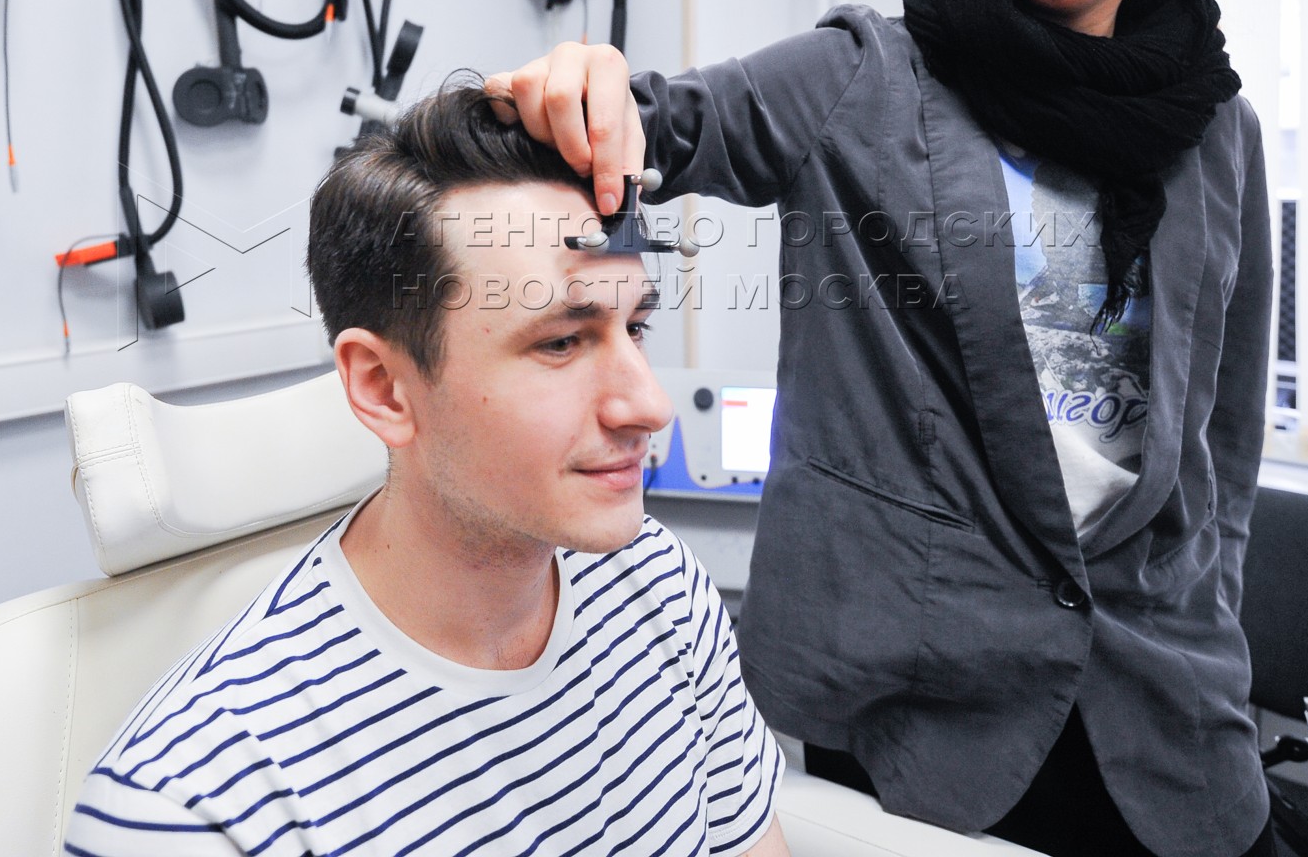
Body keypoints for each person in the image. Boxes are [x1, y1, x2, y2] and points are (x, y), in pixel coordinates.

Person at [488, 0, 1274, 857]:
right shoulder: (863, 76)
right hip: (926, 696)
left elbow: (1223, 432)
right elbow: (666, 123)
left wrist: (1210, 619)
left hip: (1157, 688)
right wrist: (577, 86)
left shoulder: (1221, 130)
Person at [64, 81, 789, 857]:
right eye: (560, 343)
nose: (649, 405)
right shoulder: (196, 805)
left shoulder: (654, 582)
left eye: (634, 327)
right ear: (384, 388)